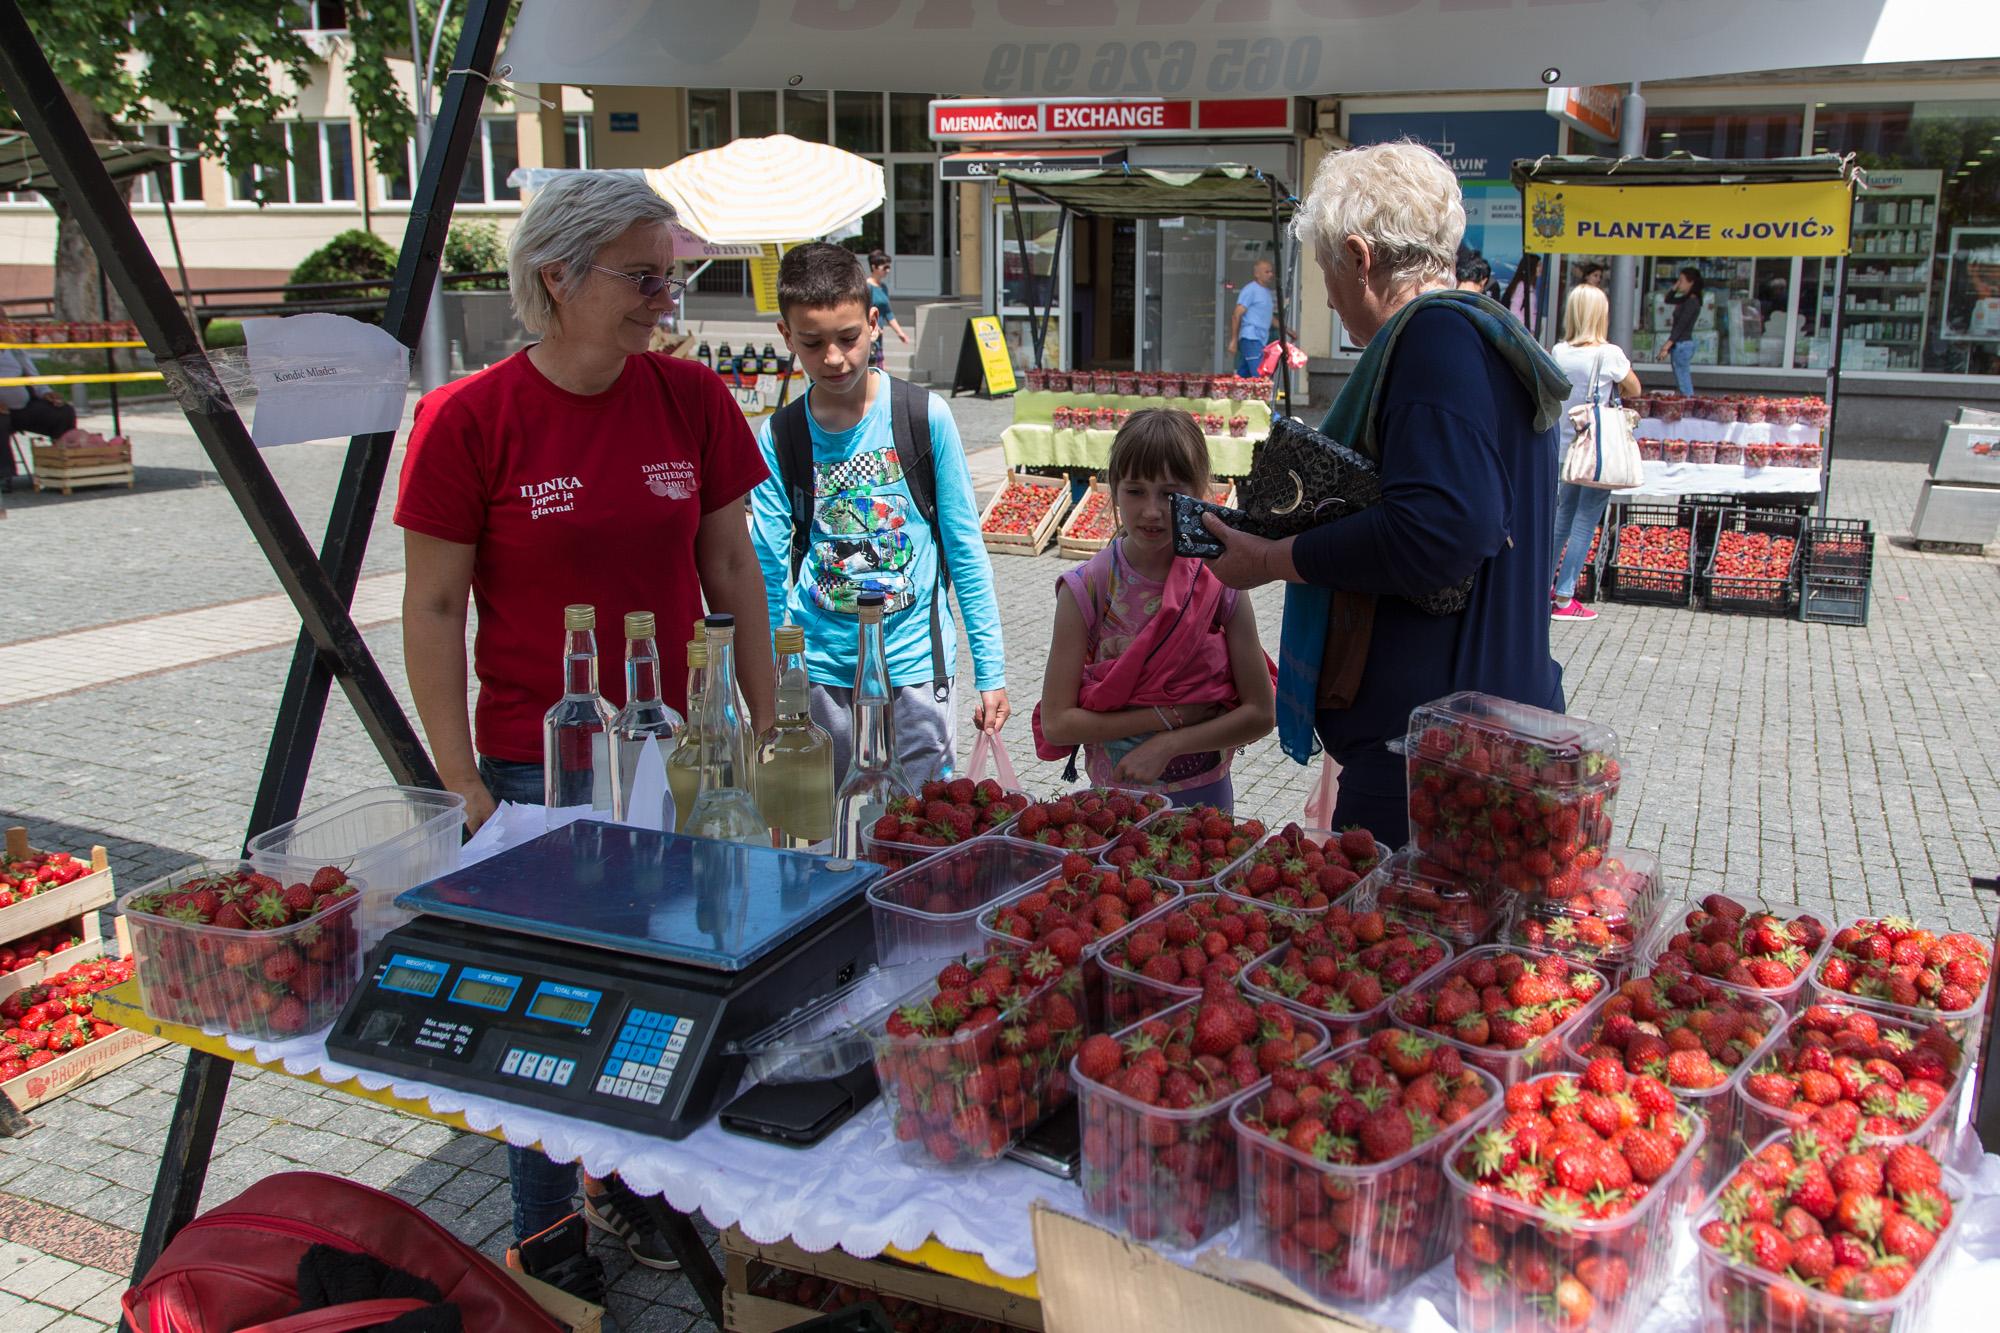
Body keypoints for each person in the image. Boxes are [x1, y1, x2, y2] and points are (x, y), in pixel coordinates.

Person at [394, 171, 776, 1295]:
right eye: (641, 274)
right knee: (547, 997)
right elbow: (431, 606)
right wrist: (456, 776)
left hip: (670, 749)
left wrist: (763, 720)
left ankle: (628, 1186)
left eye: (671, 272)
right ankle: (541, 1226)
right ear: (555, 277)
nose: (665, 296)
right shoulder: (469, 418)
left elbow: (730, 566)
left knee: (660, 979)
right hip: (536, 756)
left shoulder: (690, 401)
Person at [1192, 142, 1569, 843]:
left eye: (1327, 270)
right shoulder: (1496, 334)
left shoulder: (1434, 341)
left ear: (1360, 257)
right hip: (1478, 738)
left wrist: (1271, 561)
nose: (1329, 295)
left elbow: (1439, 531)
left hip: (1437, 761)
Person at [750, 243, 1008, 784]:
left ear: (873, 323)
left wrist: (992, 671)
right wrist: (780, 672)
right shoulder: (780, 435)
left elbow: (964, 550)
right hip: (822, 677)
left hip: (915, 671)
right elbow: (768, 569)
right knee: (836, 832)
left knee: (922, 828)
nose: (834, 358)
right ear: (785, 335)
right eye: (812, 343)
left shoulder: (923, 416)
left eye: (847, 338)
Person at [1033, 409, 1275, 810]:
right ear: (1112, 490)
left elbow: (1261, 713)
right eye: (1135, 491)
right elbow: (1058, 724)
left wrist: (1170, 743)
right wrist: (1171, 716)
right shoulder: (1087, 590)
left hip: (1205, 808)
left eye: (1169, 493)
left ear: (1199, 491)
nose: (1151, 510)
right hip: (1115, 808)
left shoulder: (1220, 583)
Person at [1549, 284, 1643, 623]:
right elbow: (1634, 387)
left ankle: (1542, 588)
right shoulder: (1610, 355)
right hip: (1598, 451)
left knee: (1561, 520)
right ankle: (1564, 597)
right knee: (1585, 521)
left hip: (1564, 448)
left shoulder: (1559, 352)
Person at [0, 347, 78, 492]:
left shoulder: (15, 351)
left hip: (22, 408)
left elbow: (35, 379)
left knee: (63, 411)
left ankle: (63, 465)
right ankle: (3, 475)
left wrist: (46, 393)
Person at [1662, 265, 1704, 396]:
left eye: (1681, 280)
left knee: (1683, 379)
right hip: (1680, 344)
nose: (1679, 284)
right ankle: (1687, 400)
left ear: (1690, 282)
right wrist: (1675, 287)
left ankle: (1689, 402)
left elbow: (1681, 325)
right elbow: (1668, 299)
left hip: (1682, 344)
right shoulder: (1686, 299)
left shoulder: (1692, 301)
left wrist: (1667, 345)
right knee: (1681, 377)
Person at [1232, 259, 1277, 376]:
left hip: (1261, 339)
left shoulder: (1266, 292)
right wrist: (1233, 340)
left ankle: (1235, 391)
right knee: (1259, 375)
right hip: (1251, 337)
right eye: (1267, 272)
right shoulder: (1250, 290)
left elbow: (1269, 317)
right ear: (1257, 274)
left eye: (1271, 272)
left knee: (1244, 375)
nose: (1271, 274)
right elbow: (1237, 314)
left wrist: (1287, 330)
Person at [865, 249, 909, 368]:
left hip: (878, 338)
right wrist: (874, 326)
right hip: (868, 336)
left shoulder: (883, 287)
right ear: (874, 267)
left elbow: (888, 313)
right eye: (885, 268)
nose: (888, 271)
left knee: (878, 370)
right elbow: (863, 311)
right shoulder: (866, 287)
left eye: (889, 267)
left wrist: (900, 333)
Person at [1501, 253, 1542, 334]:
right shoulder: (1522, 286)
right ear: (1531, 267)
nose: (1541, 268)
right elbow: (1514, 311)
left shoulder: (1528, 286)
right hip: (1524, 333)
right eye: (1538, 265)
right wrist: (1526, 330)